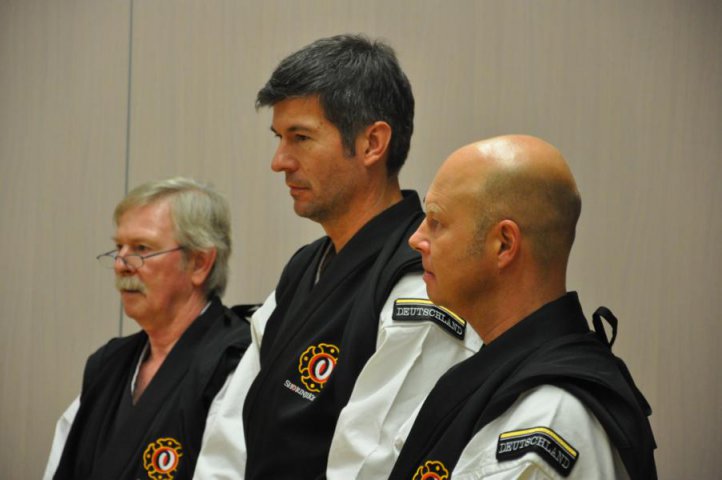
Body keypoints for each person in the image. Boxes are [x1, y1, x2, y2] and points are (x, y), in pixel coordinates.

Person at [193, 34, 481, 479]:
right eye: (279, 138)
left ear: (372, 143)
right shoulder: (304, 268)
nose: (279, 161)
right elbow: (229, 437)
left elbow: (371, 465)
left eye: (300, 137)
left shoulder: (420, 281)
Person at [388, 135, 657, 479]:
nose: (416, 239)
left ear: (504, 244)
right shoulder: (496, 369)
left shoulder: (548, 418)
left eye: (436, 222)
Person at [43, 177, 251, 480]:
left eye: (141, 248)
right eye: (119, 247)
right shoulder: (108, 364)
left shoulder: (236, 363)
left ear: (199, 263)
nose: (121, 264)